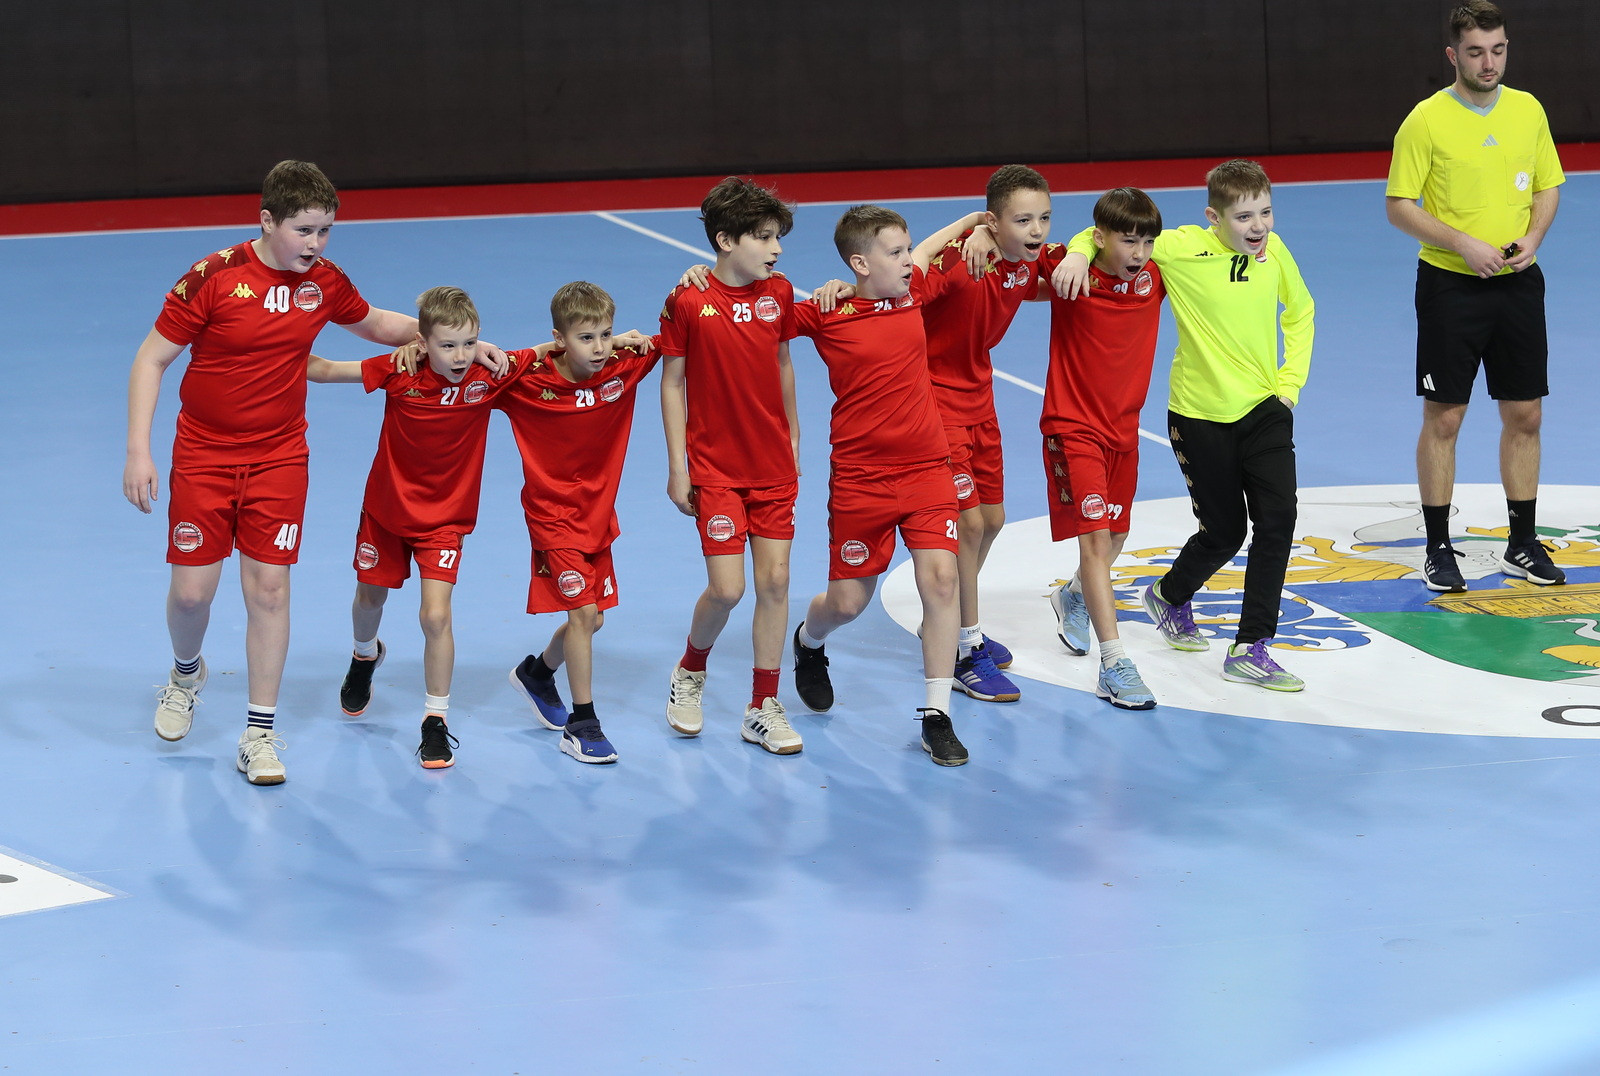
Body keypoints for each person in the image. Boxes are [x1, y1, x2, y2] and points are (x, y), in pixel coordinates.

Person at [123, 160, 426, 785]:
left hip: (280, 457)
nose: (316, 244)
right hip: (203, 455)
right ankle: (186, 674)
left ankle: (259, 733)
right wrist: (138, 451)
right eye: (303, 230)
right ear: (267, 221)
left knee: (269, 591)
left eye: (326, 230)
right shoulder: (213, 277)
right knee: (191, 595)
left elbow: (375, 324)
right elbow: (151, 359)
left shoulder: (325, 282)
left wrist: (450, 336)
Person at [1055, 159, 1315, 692]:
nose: (1259, 226)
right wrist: (1078, 253)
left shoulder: (1276, 252)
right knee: (1224, 532)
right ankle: (1170, 595)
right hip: (1198, 415)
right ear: (1213, 218)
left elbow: (1301, 310)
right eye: (1244, 216)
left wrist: (1289, 385)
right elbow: (1102, 235)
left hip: (1264, 409)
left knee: (1278, 520)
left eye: (1265, 213)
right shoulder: (1177, 248)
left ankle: (1251, 646)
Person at [1385, 0, 1565, 592]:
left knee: (1526, 413)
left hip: (1519, 284)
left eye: (1498, 50)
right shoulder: (1425, 121)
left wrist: (1533, 238)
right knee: (1446, 415)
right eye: (1476, 52)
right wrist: (1462, 243)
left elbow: (1547, 186)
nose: (1489, 63)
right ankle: (1438, 548)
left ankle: (1522, 543)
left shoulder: (1528, 110)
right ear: (1453, 55)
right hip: (1450, 287)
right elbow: (1399, 206)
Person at [306, 286, 520, 770]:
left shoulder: (489, 376)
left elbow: (554, 353)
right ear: (422, 343)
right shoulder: (398, 370)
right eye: (448, 345)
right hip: (386, 513)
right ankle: (365, 655)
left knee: (435, 617)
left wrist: (620, 341)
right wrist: (253, 347)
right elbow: (324, 370)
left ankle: (435, 720)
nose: (460, 356)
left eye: (469, 343)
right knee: (369, 601)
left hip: (444, 521)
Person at [788, 205, 966, 766]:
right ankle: (809, 642)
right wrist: (702, 277)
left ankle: (937, 715)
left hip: (926, 468)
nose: (908, 260)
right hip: (861, 478)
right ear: (860, 263)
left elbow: (930, 252)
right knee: (847, 604)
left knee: (941, 581)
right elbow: (752, 314)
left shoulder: (913, 294)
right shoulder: (827, 312)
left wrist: (971, 221)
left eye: (906, 249)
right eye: (894, 252)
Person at [658, 178, 804, 755]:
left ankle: (763, 705)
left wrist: (794, 434)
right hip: (715, 469)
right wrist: (678, 466)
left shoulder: (780, 293)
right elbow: (672, 383)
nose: (776, 248)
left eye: (777, 237)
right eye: (763, 237)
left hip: (773, 465)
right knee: (727, 589)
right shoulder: (688, 301)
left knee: (776, 582)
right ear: (725, 240)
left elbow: (784, 362)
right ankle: (690, 669)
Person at [913, 165, 1053, 705]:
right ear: (994, 222)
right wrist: (967, 227)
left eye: (1043, 218)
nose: (1036, 230)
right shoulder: (962, 260)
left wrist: (1080, 256)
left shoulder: (1026, 259)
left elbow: (1067, 263)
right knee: (968, 525)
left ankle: (946, 622)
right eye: (1023, 220)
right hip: (935, 404)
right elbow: (905, 285)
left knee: (992, 520)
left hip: (980, 401)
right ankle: (963, 647)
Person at [503, 283, 658, 765]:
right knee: (582, 615)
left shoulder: (624, 366)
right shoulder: (527, 380)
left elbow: (688, 332)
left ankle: (537, 674)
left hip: (597, 518)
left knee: (592, 620)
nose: (598, 348)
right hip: (552, 518)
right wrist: (535, 352)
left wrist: (695, 278)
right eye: (585, 338)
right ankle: (582, 723)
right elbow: (476, 368)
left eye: (606, 335)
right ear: (559, 339)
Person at [1037, 189, 1167, 709]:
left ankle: (1071, 595)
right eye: (1128, 241)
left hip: (1124, 430)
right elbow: (1014, 253)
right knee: (1094, 543)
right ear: (1100, 237)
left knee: (1116, 536)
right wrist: (1074, 251)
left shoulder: (1155, 276)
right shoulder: (1071, 274)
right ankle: (1114, 665)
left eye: (1147, 242)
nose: (1139, 252)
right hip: (1073, 427)